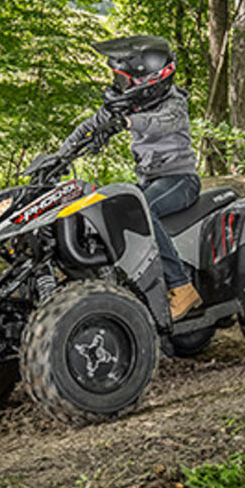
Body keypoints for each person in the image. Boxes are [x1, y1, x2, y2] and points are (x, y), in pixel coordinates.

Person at [59, 35, 203, 319]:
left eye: (124, 79)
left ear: (148, 80)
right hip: (148, 182)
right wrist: (60, 156)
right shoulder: (128, 105)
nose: (119, 85)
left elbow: (159, 124)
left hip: (179, 180)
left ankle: (181, 286)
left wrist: (126, 122)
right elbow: (88, 127)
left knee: (142, 211)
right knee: (104, 209)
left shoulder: (174, 104)